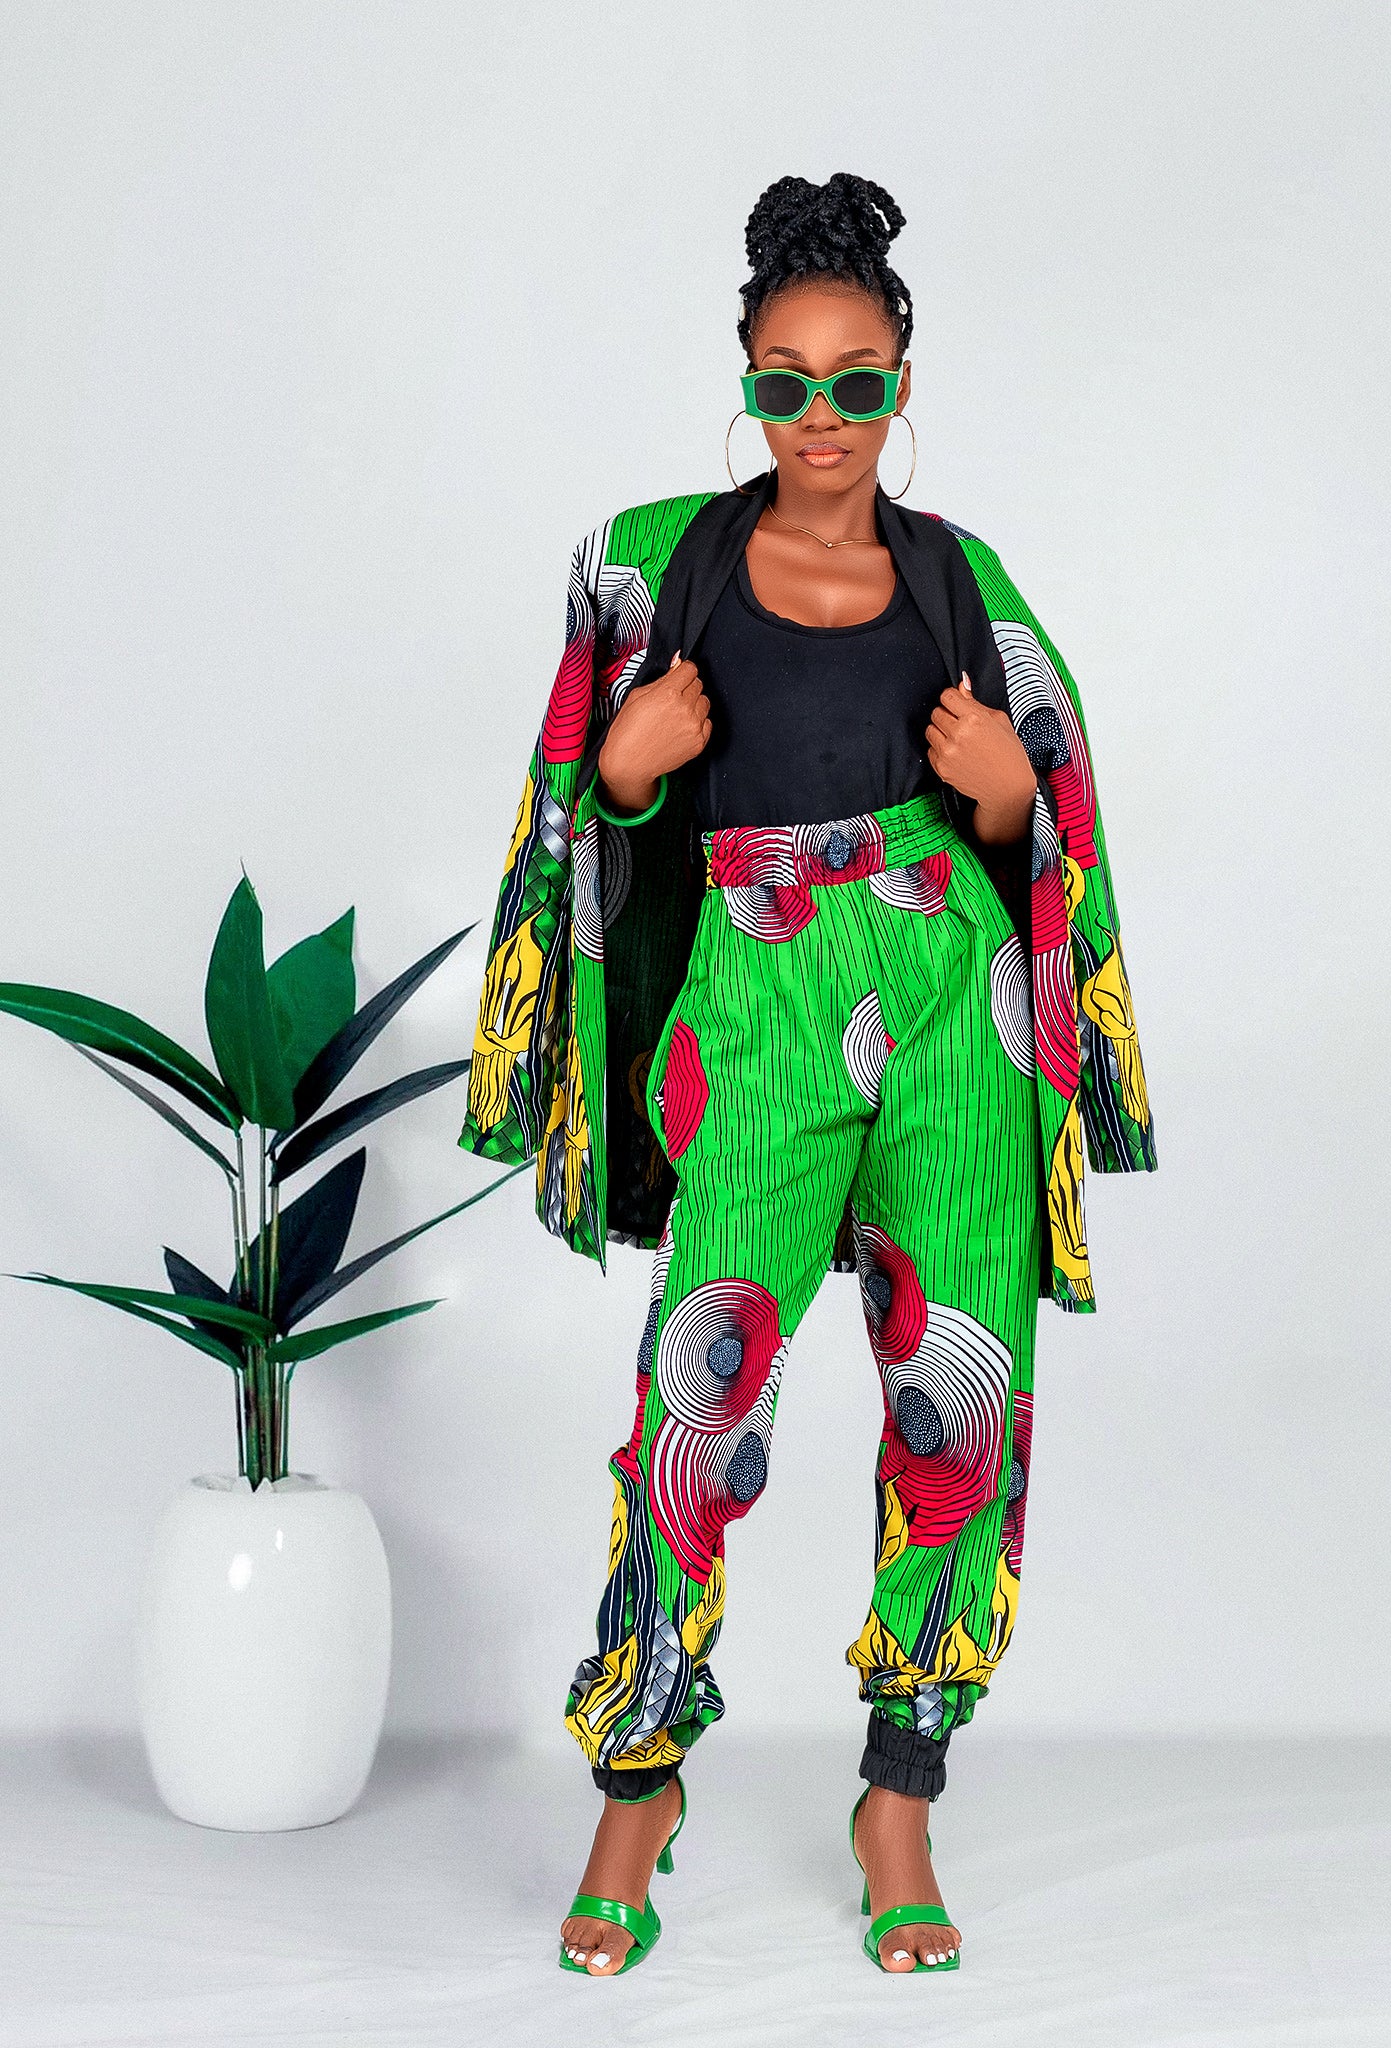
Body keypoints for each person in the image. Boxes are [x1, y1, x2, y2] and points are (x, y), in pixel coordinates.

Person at [458, 171, 1156, 1977]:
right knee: (695, 1396)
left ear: (901, 382)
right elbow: (573, 808)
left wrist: (1003, 796)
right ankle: (638, 1784)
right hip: (756, 1002)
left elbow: (1051, 819)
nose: (821, 418)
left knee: (961, 1401)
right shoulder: (653, 563)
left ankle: (899, 1796)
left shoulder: (959, 580)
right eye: (785, 383)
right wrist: (628, 766)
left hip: (949, 1002)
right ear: (746, 389)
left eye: (854, 383)